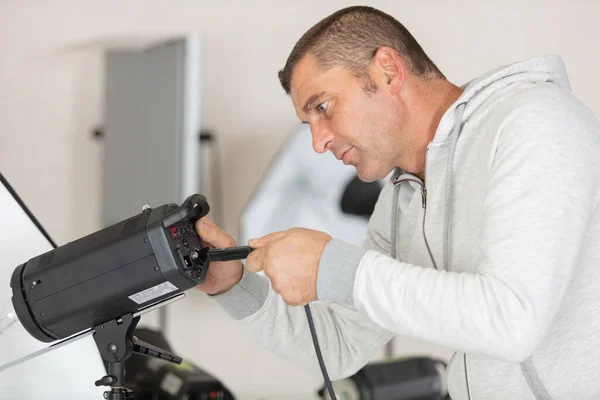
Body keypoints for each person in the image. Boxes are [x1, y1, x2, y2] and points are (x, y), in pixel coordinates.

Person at [195, 6, 600, 400]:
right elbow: (341, 346)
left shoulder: (534, 124)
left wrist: (337, 268)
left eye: (323, 107)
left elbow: (513, 319)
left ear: (387, 70)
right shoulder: (403, 195)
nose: (318, 142)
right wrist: (235, 287)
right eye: (309, 124)